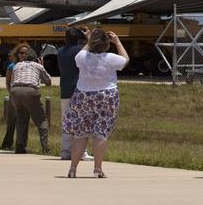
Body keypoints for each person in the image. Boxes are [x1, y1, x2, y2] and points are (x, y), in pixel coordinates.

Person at [63, 27, 129, 178]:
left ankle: (73, 168)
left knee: (80, 134)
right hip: (106, 95)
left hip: (83, 95)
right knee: (100, 132)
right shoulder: (111, 58)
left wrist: (89, 39)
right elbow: (126, 60)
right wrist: (118, 42)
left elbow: (82, 53)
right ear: (106, 43)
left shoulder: (82, 57)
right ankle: (97, 169)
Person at [57, 27, 92, 162]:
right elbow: (92, 48)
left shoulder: (60, 52)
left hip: (65, 89)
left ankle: (66, 151)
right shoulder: (80, 49)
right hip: (79, 89)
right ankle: (82, 152)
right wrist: (88, 36)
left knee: (66, 121)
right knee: (81, 121)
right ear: (79, 38)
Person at [9, 46, 52, 154]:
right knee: (41, 120)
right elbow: (48, 82)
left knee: (21, 118)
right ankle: (45, 147)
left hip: (15, 91)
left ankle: (20, 145)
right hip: (30, 91)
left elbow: (12, 80)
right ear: (35, 58)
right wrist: (41, 66)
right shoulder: (38, 66)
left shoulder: (17, 65)